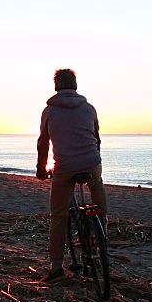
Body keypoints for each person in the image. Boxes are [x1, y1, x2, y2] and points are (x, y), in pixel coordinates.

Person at [36, 68, 108, 283]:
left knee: (58, 217)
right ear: (75, 85)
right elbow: (96, 138)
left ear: (56, 86)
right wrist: (93, 158)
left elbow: (43, 143)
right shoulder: (89, 108)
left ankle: (56, 268)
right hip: (92, 163)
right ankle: (102, 231)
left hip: (65, 168)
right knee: (97, 189)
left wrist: (41, 168)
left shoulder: (49, 111)